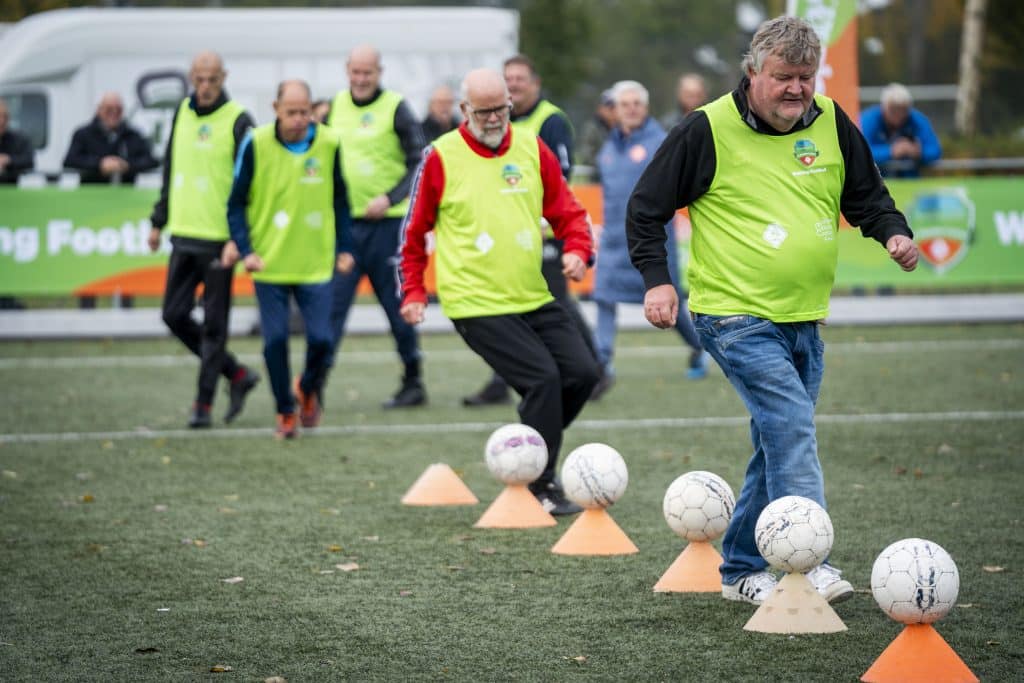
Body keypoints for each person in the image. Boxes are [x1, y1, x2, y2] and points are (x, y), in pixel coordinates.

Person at [626, 16, 919, 606]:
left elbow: (867, 196)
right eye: (783, 76)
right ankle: (810, 560)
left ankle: (738, 567)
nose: (796, 89)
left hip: (804, 315)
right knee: (789, 425)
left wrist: (892, 233)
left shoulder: (833, 122)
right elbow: (644, 207)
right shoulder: (704, 129)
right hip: (733, 316)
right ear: (753, 72)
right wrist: (658, 282)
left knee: (775, 439)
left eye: (805, 77)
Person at [399, 68, 600, 515]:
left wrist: (578, 251)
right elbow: (413, 233)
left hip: (533, 294)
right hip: (475, 301)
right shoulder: (441, 156)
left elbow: (568, 211)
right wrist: (412, 291)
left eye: (501, 109)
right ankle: (540, 484)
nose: (494, 119)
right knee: (543, 380)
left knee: (585, 372)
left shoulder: (531, 146)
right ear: (465, 110)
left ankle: (524, 450)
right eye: (484, 111)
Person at [462, 53, 598, 407]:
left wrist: (541, 220)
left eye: (521, 78)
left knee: (555, 303)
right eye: (509, 79)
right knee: (505, 306)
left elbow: (560, 178)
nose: (515, 84)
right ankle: (500, 379)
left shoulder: (550, 120)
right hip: (505, 236)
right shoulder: (496, 125)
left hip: (543, 234)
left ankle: (595, 369)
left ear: (534, 83)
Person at [226, 79, 353, 439]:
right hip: (269, 264)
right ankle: (285, 408)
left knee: (323, 340)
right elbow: (235, 203)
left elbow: (341, 200)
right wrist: (246, 250)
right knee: (274, 341)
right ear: (276, 109)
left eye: (305, 112)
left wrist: (346, 248)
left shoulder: (329, 143)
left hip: (316, 263)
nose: (300, 119)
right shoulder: (256, 143)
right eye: (292, 112)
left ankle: (307, 389)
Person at [147, 51, 261, 429]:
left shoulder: (239, 120)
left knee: (214, 326)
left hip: (219, 241)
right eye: (200, 79)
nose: (206, 86)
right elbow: (170, 166)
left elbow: (253, 182)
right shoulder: (181, 111)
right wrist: (158, 220)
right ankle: (237, 374)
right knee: (173, 315)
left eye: (213, 79)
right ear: (191, 78)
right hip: (183, 233)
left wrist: (239, 238)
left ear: (223, 77)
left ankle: (203, 404)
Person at [590, 80, 706, 401]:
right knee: (603, 299)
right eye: (624, 104)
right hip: (613, 241)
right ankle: (601, 363)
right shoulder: (608, 148)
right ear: (614, 109)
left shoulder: (660, 141)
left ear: (646, 107)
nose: (630, 109)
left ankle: (700, 346)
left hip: (653, 241)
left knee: (673, 306)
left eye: (636, 104)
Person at [326, 44, 428, 409]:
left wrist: (390, 197)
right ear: (347, 70)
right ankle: (313, 386)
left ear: (379, 72)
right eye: (356, 71)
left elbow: (421, 159)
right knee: (331, 309)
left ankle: (413, 381)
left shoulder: (396, 108)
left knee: (398, 309)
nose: (361, 78)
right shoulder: (333, 107)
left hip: (388, 229)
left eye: (368, 72)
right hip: (346, 232)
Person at [63, 92, 158, 184]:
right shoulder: (83, 134)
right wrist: (100, 164)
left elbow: (150, 161)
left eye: (118, 109)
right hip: (91, 193)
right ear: (99, 110)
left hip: (126, 195)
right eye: (109, 109)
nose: (114, 112)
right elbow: (71, 160)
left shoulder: (133, 135)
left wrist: (126, 165)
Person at [860, 82, 942, 178]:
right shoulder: (868, 120)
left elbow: (935, 150)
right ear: (884, 107)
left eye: (903, 109)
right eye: (893, 109)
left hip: (909, 181)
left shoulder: (916, 119)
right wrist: (891, 151)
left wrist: (917, 152)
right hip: (877, 181)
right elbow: (861, 154)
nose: (899, 114)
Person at [574, 88, 616, 177]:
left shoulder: (625, 128)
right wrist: (608, 163)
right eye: (609, 107)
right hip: (597, 180)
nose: (613, 111)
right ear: (600, 108)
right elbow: (586, 155)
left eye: (615, 107)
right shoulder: (591, 128)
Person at [0, 98, 34, 184]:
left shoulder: (19, 139)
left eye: (5, 116)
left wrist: (9, 160)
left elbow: (29, 161)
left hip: (11, 188)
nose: (2, 121)